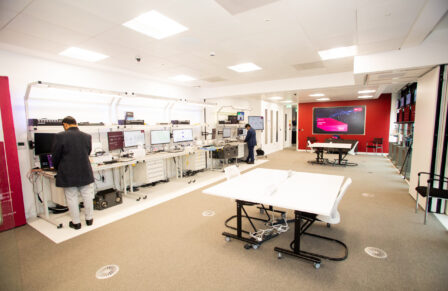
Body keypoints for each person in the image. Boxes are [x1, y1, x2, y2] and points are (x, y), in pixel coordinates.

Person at [52, 116, 94, 230]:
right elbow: (88, 152)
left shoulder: (60, 136)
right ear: (75, 123)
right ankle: (89, 219)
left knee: (71, 197)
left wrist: (57, 167)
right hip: (84, 170)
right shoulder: (87, 136)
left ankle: (76, 223)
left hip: (68, 172)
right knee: (87, 195)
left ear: (65, 125)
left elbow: (55, 156)